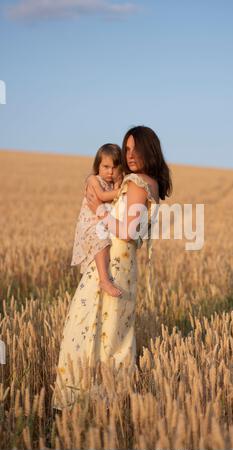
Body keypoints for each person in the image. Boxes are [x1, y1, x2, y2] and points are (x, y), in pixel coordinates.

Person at [51, 126, 172, 412]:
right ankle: (108, 406)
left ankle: (79, 403)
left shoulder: (135, 183)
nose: (129, 155)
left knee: (85, 329)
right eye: (126, 149)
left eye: (135, 149)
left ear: (149, 149)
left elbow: (128, 232)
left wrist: (100, 211)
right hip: (126, 267)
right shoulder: (150, 183)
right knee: (115, 336)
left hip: (113, 266)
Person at [70, 143, 125, 297]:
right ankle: (104, 280)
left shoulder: (112, 184)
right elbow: (101, 197)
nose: (110, 172)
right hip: (90, 224)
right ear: (97, 166)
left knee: (107, 244)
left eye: (115, 168)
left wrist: (119, 181)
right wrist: (122, 190)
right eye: (106, 167)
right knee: (102, 243)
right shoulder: (93, 180)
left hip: (102, 222)